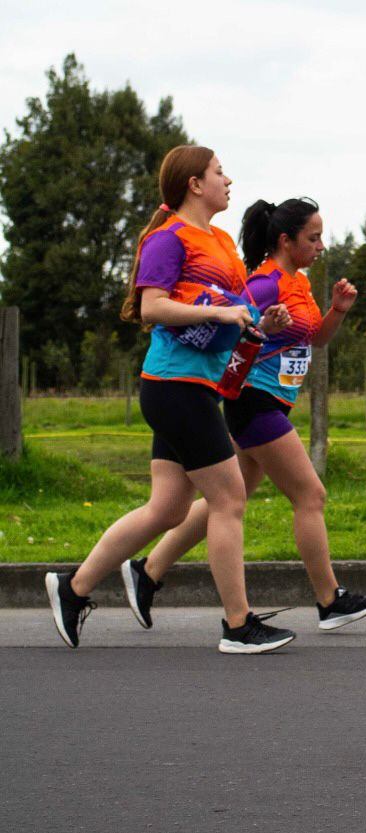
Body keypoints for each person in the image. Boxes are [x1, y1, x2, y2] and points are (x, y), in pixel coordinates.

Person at [45, 145, 296, 654]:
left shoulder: (222, 241)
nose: (228, 180)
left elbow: (235, 311)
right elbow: (152, 307)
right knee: (228, 500)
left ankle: (72, 590)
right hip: (173, 388)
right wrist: (220, 316)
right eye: (219, 172)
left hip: (191, 388)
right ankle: (237, 625)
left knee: (167, 508)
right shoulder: (167, 239)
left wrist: (259, 323)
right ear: (194, 184)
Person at [122, 198, 366, 630]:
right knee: (310, 495)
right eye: (313, 238)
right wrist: (257, 334)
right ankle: (328, 600)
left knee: (221, 502)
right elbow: (230, 330)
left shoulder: (296, 281)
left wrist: (338, 309)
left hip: (275, 403)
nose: (321, 246)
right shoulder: (262, 284)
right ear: (286, 240)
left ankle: (147, 571)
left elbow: (315, 341)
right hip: (252, 403)